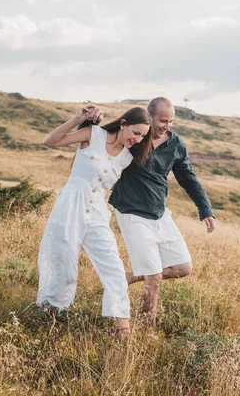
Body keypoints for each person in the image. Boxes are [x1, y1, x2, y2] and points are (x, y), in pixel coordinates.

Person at [81, 97, 215, 329]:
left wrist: (205, 209)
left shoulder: (176, 144)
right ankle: (147, 329)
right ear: (149, 117)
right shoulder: (134, 137)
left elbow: (188, 177)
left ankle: (131, 276)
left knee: (183, 267)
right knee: (154, 276)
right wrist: (86, 122)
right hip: (132, 212)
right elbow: (96, 140)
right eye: (163, 120)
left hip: (159, 213)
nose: (167, 126)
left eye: (171, 121)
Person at [36, 104, 152, 336]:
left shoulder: (128, 158)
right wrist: (76, 119)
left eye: (143, 136)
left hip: (97, 211)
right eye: (136, 133)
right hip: (71, 205)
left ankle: (123, 330)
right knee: (64, 264)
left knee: (114, 266)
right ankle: (51, 317)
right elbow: (50, 142)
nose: (138, 139)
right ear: (123, 124)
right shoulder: (94, 135)